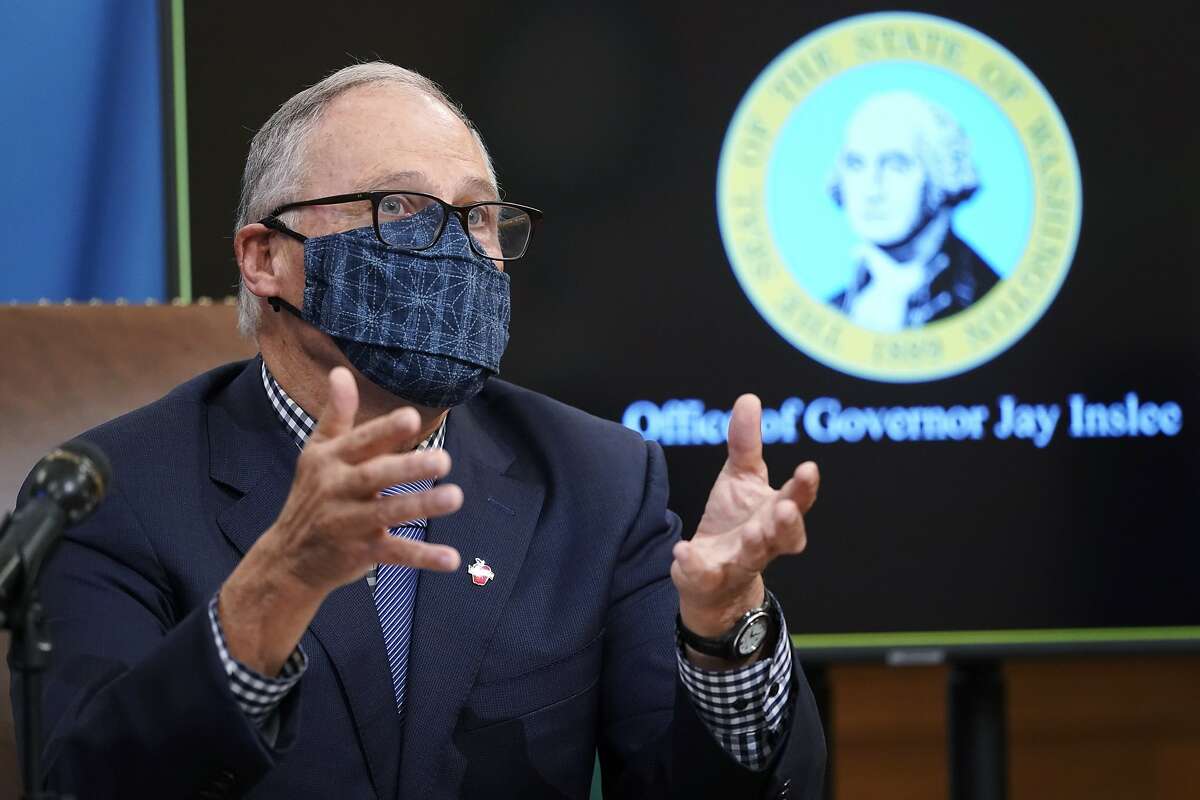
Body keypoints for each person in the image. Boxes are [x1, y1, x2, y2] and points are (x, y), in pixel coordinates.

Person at [12, 63, 825, 799]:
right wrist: (274, 592)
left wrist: (726, 639)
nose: (454, 249)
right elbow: (87, 783)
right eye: (397, 208)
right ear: (265, 259)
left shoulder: (599, 480)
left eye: (477, 217)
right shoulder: (108, 494)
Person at [826, 91, 1000, 331]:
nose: (871, 188)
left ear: (943, 173)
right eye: (856, 164)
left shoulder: (988, 303)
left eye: (896, 165)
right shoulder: (831, 312)